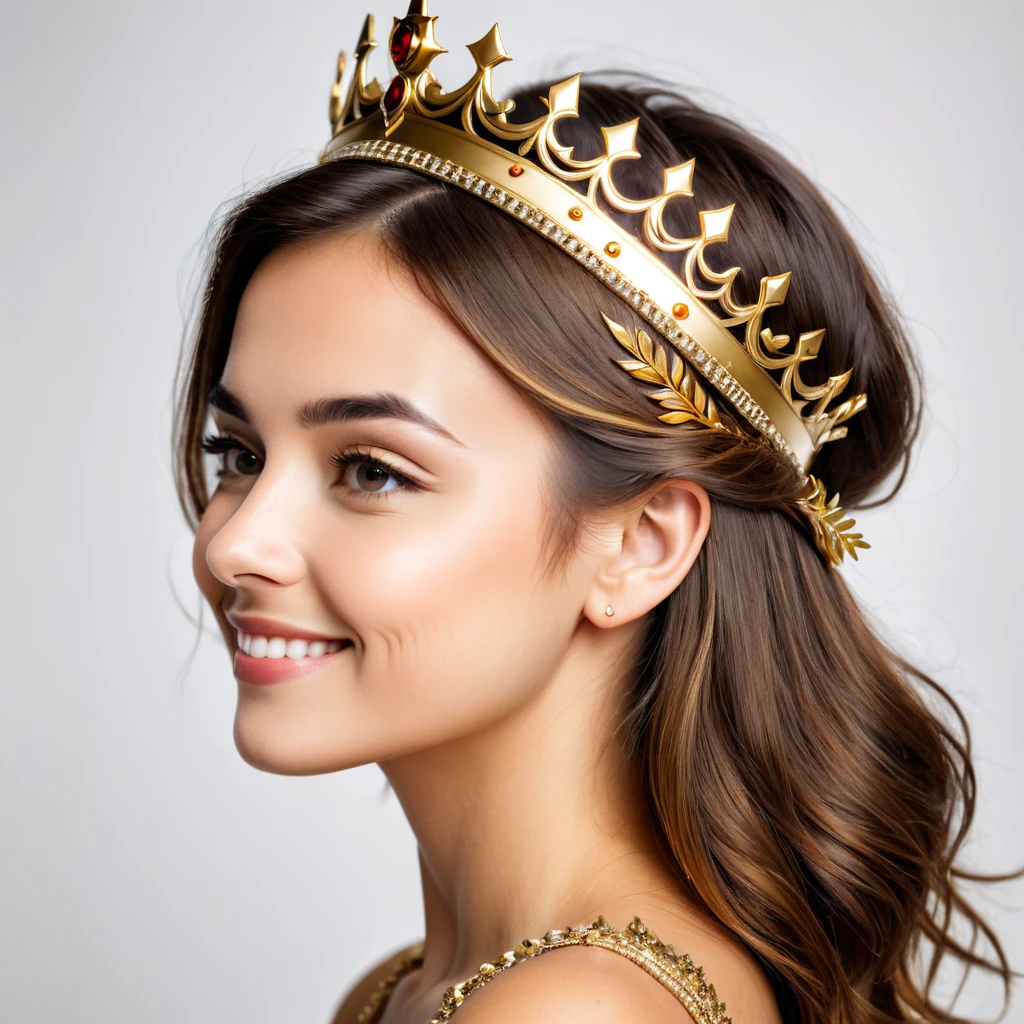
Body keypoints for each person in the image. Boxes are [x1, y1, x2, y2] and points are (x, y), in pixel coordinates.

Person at [171, 3, 1016, 1021]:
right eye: (239, 453)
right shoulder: (412, 991)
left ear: (639, 544)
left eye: (372, 470)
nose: (236, 541)